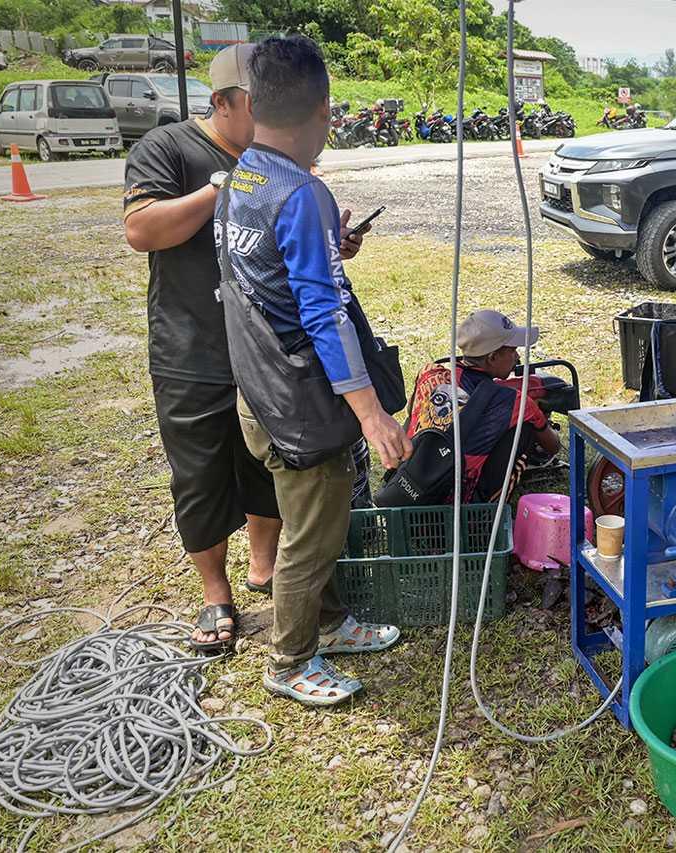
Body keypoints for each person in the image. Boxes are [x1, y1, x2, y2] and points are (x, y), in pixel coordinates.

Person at [218, 35, 410, 706]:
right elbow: (323, 314)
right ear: (325, 112)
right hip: (297, 398)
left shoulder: (240, 178)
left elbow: (271, 277)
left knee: (317, 519)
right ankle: (290, 658)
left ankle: (329, 624)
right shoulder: (303, 193)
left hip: (257, 387)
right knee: (311, 532)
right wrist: (371, 413)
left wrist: (332, 247)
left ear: (254, 104)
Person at [123, 44, 282, 653]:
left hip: (260, 343)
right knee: (199, 473)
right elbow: (142, 230)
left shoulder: (273, 156)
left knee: (267, 459)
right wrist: (223, 188)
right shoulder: (168, 149)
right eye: (258, 106)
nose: (269, 118)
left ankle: (262, 565)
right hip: (190, 344)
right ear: (221, 103)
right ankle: (216, 592)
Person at [403, 310, 562, 502]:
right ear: (492, 357)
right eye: (512, 350)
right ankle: (488, 512)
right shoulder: (515, 402)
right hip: (455, 500)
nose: (517, 357)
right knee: (525, 430)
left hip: (409, 481)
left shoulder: (430, 373)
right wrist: (538, 417)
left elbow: (410, 415)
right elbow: (553, 447)